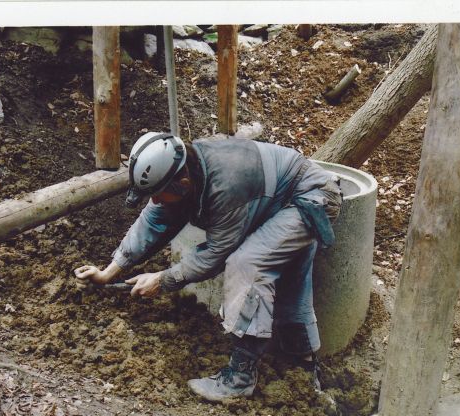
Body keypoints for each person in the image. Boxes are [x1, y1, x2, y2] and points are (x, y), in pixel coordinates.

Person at [74, 132, 342, 401]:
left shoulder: (226, 185)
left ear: (183, 183)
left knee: (248, 263)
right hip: (279, 199)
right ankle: (304, 368)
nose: (154, 200)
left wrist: (164, 278)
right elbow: (153, 221)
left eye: (158, 194)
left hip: (309, 197)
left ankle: (240, 378)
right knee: (287, 280)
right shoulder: (185, 171)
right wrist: (109, 272)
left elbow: (216, 255)